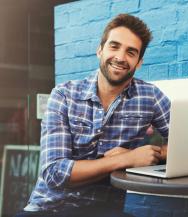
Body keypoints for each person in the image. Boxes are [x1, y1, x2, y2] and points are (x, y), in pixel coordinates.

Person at [16, 14, 170, 217]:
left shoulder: (150, 97)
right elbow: (55, 173)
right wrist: (125, 159)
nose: (120, 57)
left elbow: (186, 141)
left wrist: (155, 153)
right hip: (49, 208)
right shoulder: (63, 95)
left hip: (105, 209)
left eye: (131, 52)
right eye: (114, 46)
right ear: (100, 50)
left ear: (139, 62)